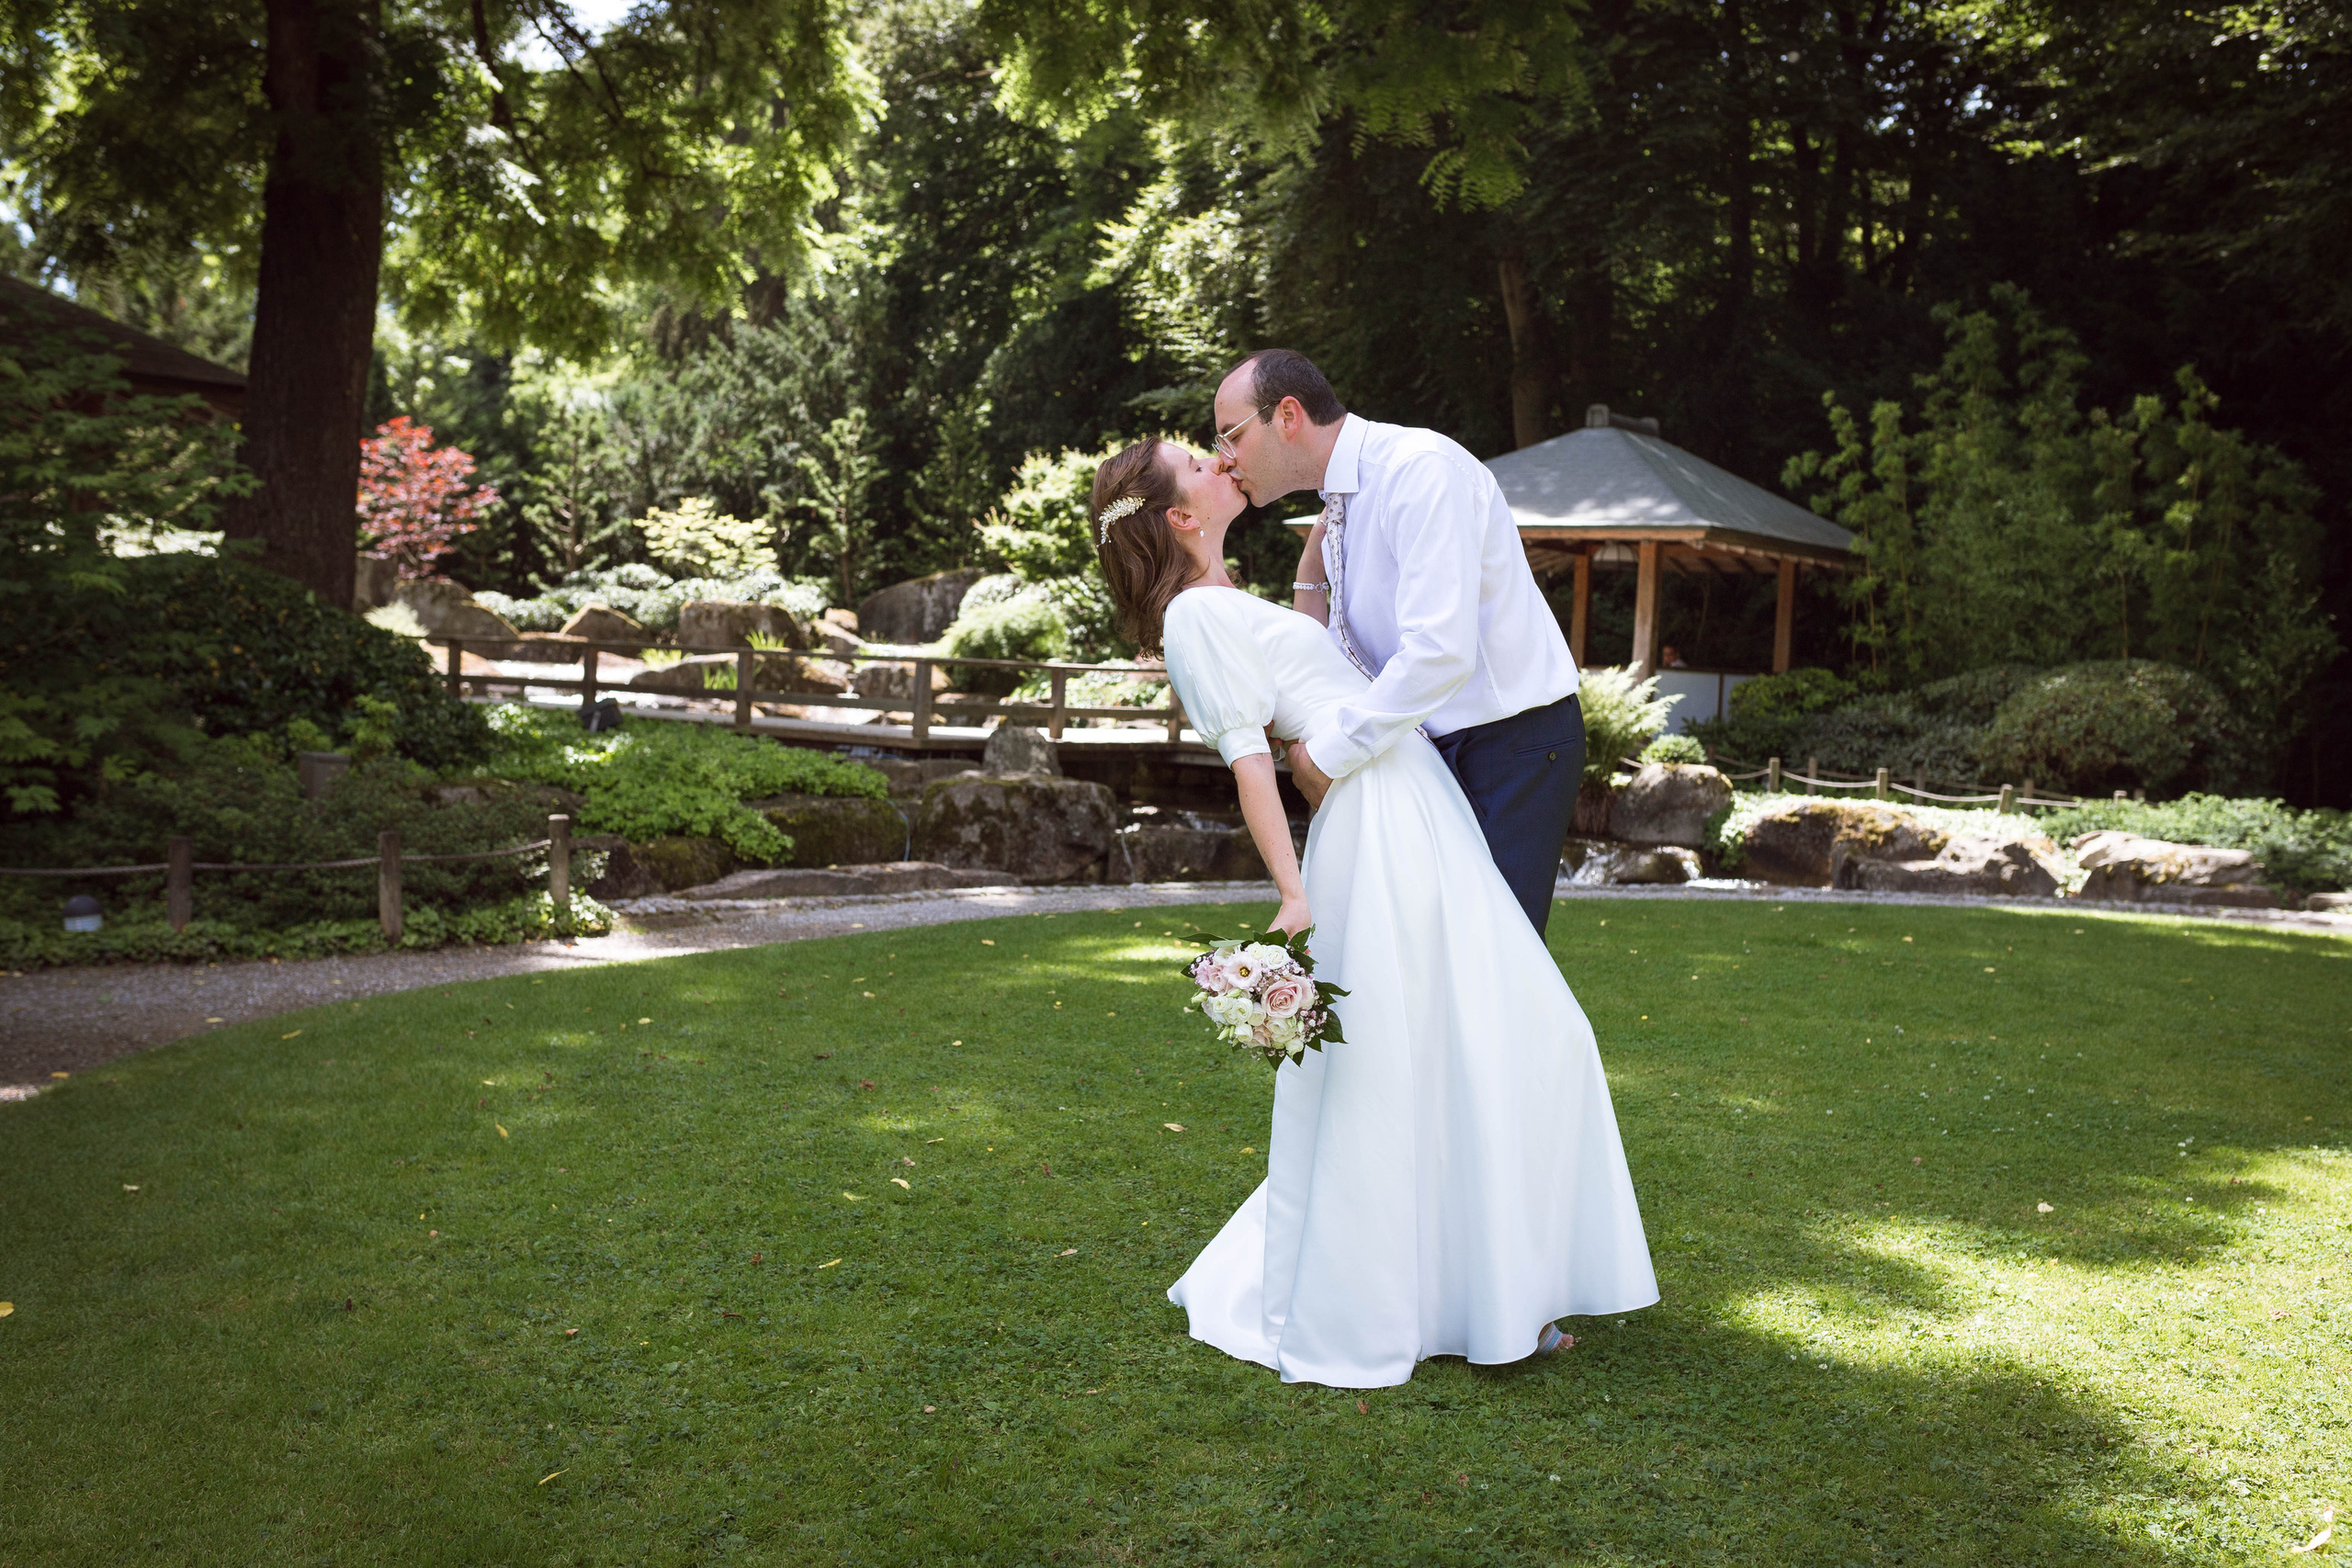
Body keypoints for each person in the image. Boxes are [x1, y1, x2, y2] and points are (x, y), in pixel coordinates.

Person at [1091, 435, 1657, 1390]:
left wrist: (1315, 563)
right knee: (1450, 1042)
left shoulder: (1229, 599)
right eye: (1198, 460)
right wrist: (1291, 890)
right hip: (1379, 821)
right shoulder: (1192, 619)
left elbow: (1316, 667)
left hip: (1413, 801)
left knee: (1478, 1036)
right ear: (1180, 516)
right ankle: (1454, 1296)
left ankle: (1482, 1288)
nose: (1220, 460)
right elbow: (1249, 763)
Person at [1211, 349, 1583, 933]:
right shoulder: (1343, 499)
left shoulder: (1417, 470)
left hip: (1510, 745)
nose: (1223, 460)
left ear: (1287, 416)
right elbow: (1354, 657)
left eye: (1231, 436)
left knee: (1493, 957)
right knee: (1426, 954)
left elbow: (1440, 652)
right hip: (1425, 748)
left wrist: (1328, 755)